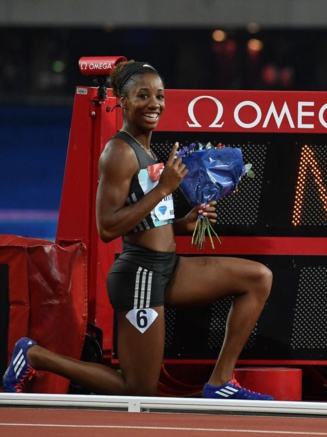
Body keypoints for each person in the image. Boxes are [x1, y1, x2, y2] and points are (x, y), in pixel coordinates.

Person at [2, 60, 274, 400]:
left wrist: (180, 223)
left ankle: (220, 382)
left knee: (258, 278)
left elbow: (145, 221)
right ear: (124, 102)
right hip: (140, 274)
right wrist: (164, 189)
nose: (154, 103)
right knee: (139, 390)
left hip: (167, 267)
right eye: (143, 95)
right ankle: (35, 355)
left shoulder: (146, 150)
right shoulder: (119, 152)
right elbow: (107, 226)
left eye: (159, 96)